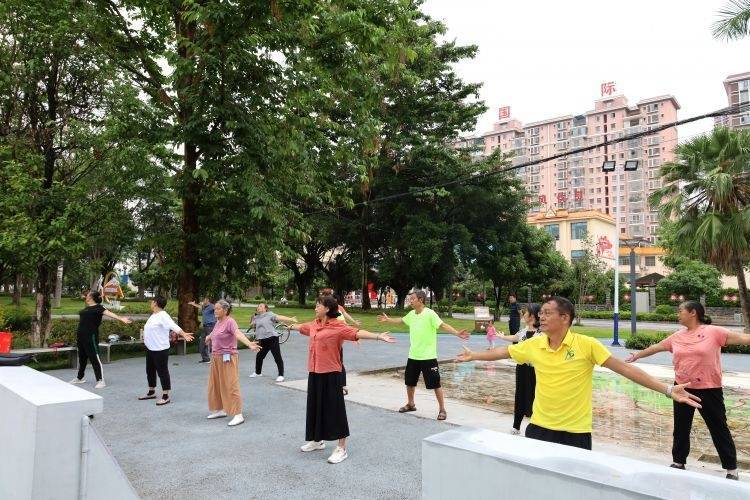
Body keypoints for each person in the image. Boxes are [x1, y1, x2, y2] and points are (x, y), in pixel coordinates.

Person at [456, 296, 700, 451]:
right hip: (539, 428)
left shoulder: (586, 345)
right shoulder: (534, 344)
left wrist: (668, 389)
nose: (541, 316)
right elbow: (503, 352)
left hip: (576, 433)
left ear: (565, 318)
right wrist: (474, 355)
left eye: (547, 313)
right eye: (540, 312)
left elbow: (624, 368)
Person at [626, 300, 750, 480]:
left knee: (718, 428)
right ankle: (678, 461)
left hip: (709, 388)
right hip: (682, 388)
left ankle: (731, 468)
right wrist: (636, 355)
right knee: (681, 427)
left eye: (680, 311)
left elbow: (745, 339)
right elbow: (657, 347)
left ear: (693, 313)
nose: (678, 314)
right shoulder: (677, 336)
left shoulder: (713, 332)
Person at [287, 295, 395, 464]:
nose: (315, 308)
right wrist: (290, 326)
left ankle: (342, 448)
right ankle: (317, 440)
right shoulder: (315, 325)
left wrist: (378, 336)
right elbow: (303, 327)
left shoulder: (338, 327)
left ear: (327, 309)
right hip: (314, 372)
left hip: (331, 373)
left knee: (335, 410)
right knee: (315, 407)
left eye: (318, 305)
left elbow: (357, 332)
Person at [378, 290, 469, 421]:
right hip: (413, 355)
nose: (410, 301)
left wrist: (456, 333)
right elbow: (401, 321)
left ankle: (442, 409)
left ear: (420, 300)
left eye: (413, 298)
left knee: (435, 384)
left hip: (428, 357)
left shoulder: (430, 314)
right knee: (410, 382)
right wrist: (388, 320)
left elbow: (443, 325)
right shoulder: (411, 314)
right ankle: (411, 404)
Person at [205, 299, 261, 427]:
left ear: (225, 310)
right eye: (215, 309)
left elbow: (237, 333)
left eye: (218, 309)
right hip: (216, 357)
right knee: (216, 384)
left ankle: (238, 414)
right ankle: (220, 409)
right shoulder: (218, 322)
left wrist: (248, 344)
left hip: (228, 357)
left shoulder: (230, 321)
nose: (215, 311)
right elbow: (214, 333)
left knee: (231, 385)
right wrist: (209, 338)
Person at [137, 296, 194, 406]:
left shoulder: (163, 315)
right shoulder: (154, 315)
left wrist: (183, 334)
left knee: (162, 372)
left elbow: (173, 326)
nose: (151, 303)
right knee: (150, 371)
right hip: (150, 348)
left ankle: (165, 395)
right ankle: (151, 392)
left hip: (160, 349)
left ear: (155, 303)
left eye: (152, 301)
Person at [495, 304, 543, 434]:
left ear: (532, 316)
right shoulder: (522, 331)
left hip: (536, 370)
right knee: (520, 395)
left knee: (535, 395)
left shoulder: (542, 333)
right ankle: (516, 426)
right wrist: (502, 337)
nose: (522, 315)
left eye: (525, 313)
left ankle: (535, 424)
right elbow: (515, 338)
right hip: (522, 369)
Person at [70, 290, 132, 388]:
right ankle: (80, 378)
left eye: (88, 294)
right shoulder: (87, 308)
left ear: (91, 297)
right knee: (82, 358)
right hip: (81, 336)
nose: (86, 295)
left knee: (94, 358)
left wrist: (121, 319)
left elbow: (110, 313)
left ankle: (100, 380)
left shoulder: (99, 308)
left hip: (91, 336)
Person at [320, 288, 361, 395]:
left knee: (337, 362)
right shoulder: (323, 310)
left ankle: (341, 385)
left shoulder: (336, 308)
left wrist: (353, 328)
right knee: (332, 362)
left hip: (335, 339)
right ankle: (335, 385)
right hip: (327, 339)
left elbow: (343, 321)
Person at [249, 303, 297, 382]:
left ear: (265, 309)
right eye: (258, 306)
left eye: (261, 306)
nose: (259, 307)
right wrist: (253, 318)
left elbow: (279, 317)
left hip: (272, 339)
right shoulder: (256, 317)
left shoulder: (269, 314)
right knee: (259, 356)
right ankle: (258, 373)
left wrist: (291, 319)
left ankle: (281, 375)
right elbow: (251, 325)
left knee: (277, 357)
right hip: (263, 340)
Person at [188, 297, 215, 363]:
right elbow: (199, 306)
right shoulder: (204, 307)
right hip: (205, 327)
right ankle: (206, 359)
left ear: (208, 300)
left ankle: (216, 359)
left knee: (212, 343)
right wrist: (193, 304)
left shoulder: (212, 306)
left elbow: (218, 310)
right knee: (202, 343)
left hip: (211, 327)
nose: (203, 301)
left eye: (204, 300)